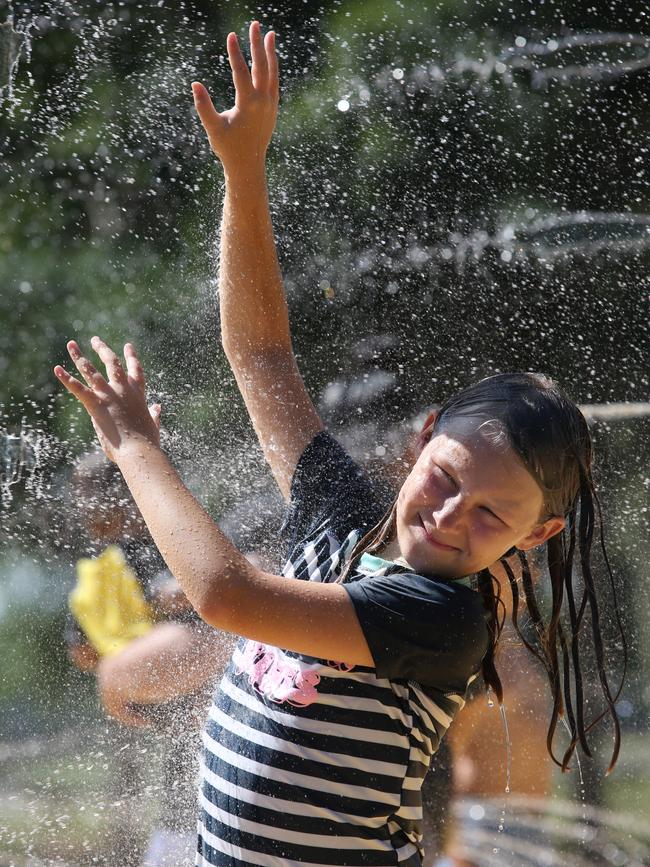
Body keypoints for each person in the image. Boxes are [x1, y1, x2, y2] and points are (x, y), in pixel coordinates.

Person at [53, 20, 626, 867]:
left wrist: (137, 445)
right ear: (426, 438)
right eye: (444, 479)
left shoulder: (443, 616)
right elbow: (260, 354)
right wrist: (244, 177)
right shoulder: (336, 523)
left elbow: (223, 593)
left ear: (538, 533)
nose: (450, 516)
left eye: (493, 512)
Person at [66, 450, 230, 866]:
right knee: (189, 797)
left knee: (182, 801)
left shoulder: (106, 562)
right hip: (178, 694)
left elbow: (82, 652)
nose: (83, 509)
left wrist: (124, 663)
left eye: (87, 496)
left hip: (160, 697)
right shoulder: (152, 548)